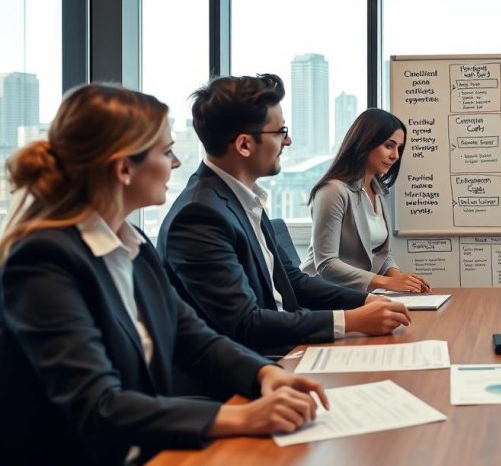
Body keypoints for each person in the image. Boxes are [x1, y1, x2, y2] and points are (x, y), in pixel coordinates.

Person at [0, 85, 328, 465]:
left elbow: (194, 337)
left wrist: (263, 374)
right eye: (167, 151)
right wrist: (240, 416)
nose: (175, 164)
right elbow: (98, 403)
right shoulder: (43, 260)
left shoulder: (131, 242)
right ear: (124, 168)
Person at [158, 74, 410, 358]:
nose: (288, 141)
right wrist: (350, 321)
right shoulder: (198, 216)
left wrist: (369, 300)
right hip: (259, 363)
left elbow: (294, 282)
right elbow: (245, 323)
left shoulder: (244, 199)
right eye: (280, 132)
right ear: (244, 145)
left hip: (288, 345)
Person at [302, 108, 430, 293]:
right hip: (321, 295)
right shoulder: (333, 191)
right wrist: (386, 283)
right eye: (389, 145)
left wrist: (401, 280)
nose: (395, 155)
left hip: (356, 294)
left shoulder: (378, 190)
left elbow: (381, 253)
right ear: (366, 142)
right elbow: (326, 264)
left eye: (399, 148)